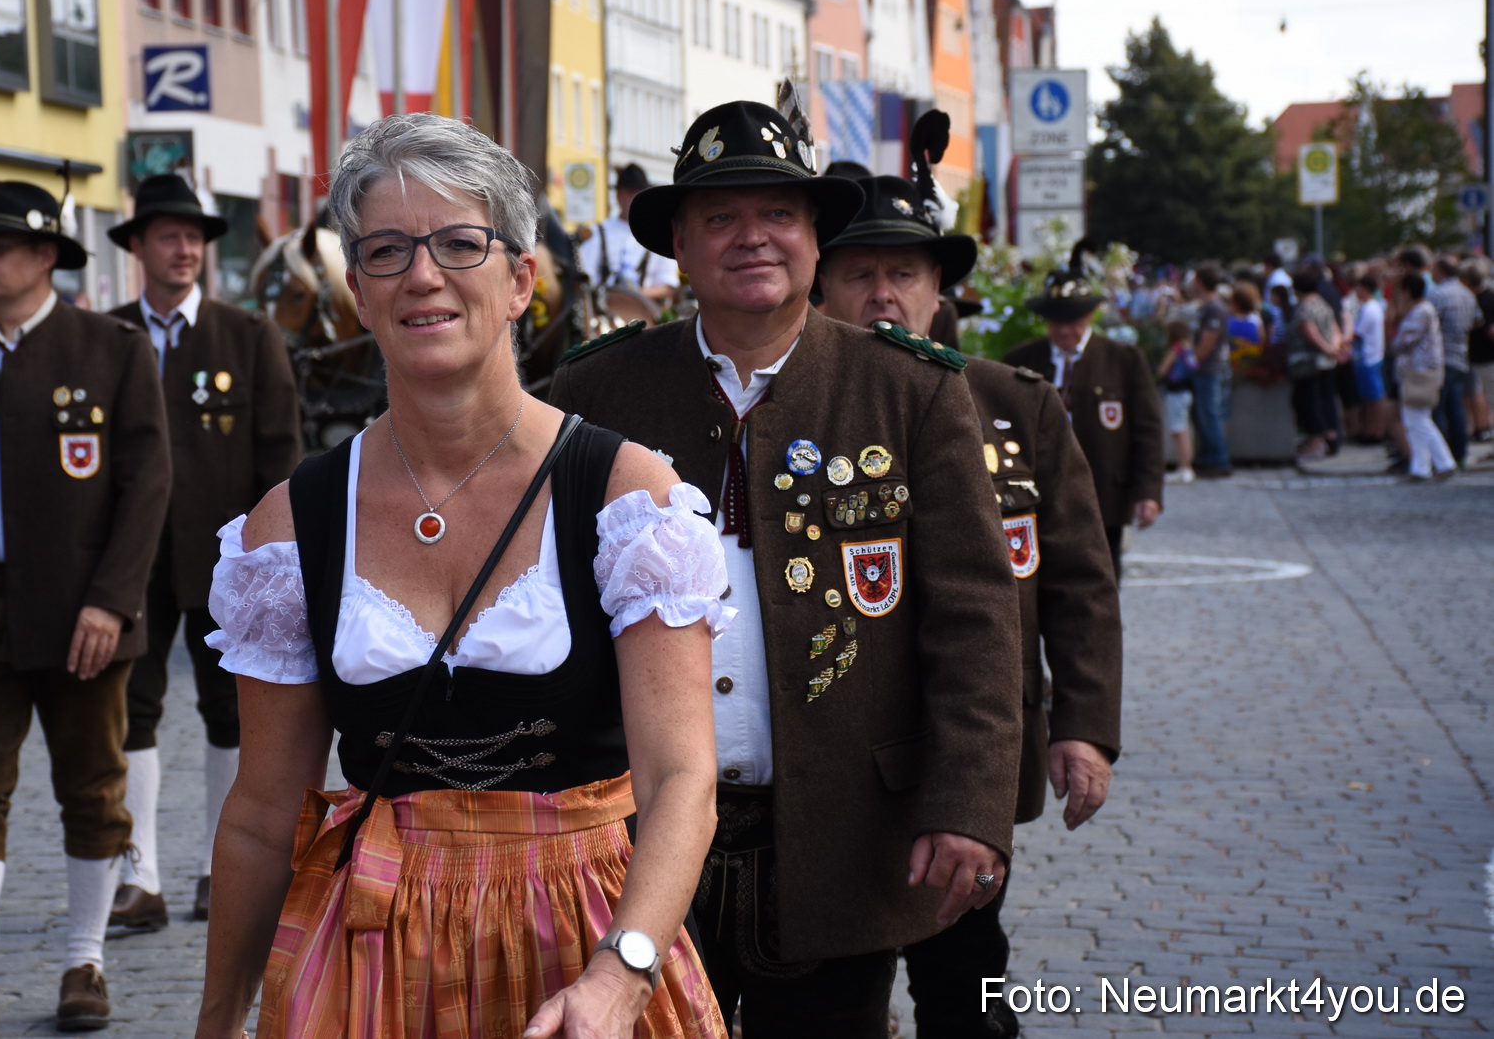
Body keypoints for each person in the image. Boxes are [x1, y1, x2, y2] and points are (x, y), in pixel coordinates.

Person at [197, 114, 728, 1039]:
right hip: (374, 949)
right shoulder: (293, 523)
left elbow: (682, 774)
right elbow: (258, 813)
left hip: (588, 941)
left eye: (458, 242)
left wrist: (623, 971)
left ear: (521, 278)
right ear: (358, 291)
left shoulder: (622, 494)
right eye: (388, 250)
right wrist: (214, 1023)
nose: (423, 274)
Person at [551, 100, 1023, 1037]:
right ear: (679, 245)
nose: (752, 237)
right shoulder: (591, 394)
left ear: (815, 235)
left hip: (841, 833)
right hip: (628, 840)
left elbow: (974, 622)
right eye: (720, 217)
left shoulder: (911, 391)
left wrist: (969, 804)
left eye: (778, 213)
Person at [810, 168, 1122, 1039]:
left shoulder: (1016, 405)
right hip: (835, 752)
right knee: (837, 995)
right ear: (822, 283)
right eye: (860, 273)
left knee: (968, 984)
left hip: (974, 745)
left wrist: (1085, 722)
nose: (883, 295)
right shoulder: (792, 415)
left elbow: (1080, 580)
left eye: (904, 274)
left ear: (938, 287)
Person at [0, 180, 172, 1035]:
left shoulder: (112, 349)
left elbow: (146, 486)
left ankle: (83, 962)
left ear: (47, 257)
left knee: (93, 789)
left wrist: (112, 601)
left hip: (80, 613)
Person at [105, 175, 302, 929]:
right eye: (168, 236)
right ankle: (138, 874)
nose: (184, 249)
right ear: (139, 248)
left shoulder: (248, 336)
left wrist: (269, 562)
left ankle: (219, 868)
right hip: (133, 558)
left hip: (229, 561)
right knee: (132, 712)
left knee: (232, 712)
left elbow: (279, 459)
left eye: (194, 237)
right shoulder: (111, 336)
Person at [1005, 268, 1165, 580]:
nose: (1064, 330)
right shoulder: (1021, 360)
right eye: (1056, 320)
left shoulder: (1123, 360)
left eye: (1073, 320)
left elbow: (1147, 430)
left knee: (1101, 581)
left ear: (1091, 315)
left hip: (1104, 492)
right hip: (1038, 495)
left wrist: (1149, 492)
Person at [575, 163, 681, 305]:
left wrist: (635, 295)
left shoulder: (658, 234)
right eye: (628, 192)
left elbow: (668, 285)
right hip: (604, 307)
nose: (632, 198)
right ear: (618, 195)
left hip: (644, 308)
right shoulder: (597, 232)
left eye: (637, 192)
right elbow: (586, 277)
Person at [1389, 271, 1454, 480]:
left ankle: (1443, 462)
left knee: (1419, 420)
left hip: (1419, 373)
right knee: (1414, 421)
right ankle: (1422, 467)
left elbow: (1401, 343)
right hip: (1418, 372)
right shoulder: (1423, 310)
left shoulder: (1420, 312)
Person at [1286, 263, 1344, 463]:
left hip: (1309, 363)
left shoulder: (1305, 306)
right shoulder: (1322, 302)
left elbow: (1310, 331)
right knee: (1327, 399)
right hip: (1327, 361)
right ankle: (1330, 436)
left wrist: (1327, 349)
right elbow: (1334, 327)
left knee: (1309, 402)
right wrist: (1334, 349)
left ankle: (1317, 440)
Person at [1425, 252, 1477, 467]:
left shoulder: (1438, 294)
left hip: (1442, 357)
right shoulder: (1467, 294)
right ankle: (1460, 451)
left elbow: (1427, 322)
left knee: (1438, 408)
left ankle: (1441, 455)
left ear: (1440, 271)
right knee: (1455, 407)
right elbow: (1477, 320)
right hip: (1460, 355)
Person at [1187, 266, 1232, 476]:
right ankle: (1208, 457)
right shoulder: (1207, 306)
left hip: (1209, 369)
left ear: (1200, 282)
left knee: (1210, 414)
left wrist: (1193, 361)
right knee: (1204, 415)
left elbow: (1208, 341)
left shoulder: (1214, 307)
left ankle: (1218, 460)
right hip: (1204, 369)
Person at [1350, 273, 1390, 444]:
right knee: (1369, 398)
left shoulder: (1369, 308)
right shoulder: (1372, 306)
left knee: (1374, 399)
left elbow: (1357, 333)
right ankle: (1370, 430)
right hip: (1369, 357)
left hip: (1369, 357)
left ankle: (1376, 431)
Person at [1157, 319, 1198, 484]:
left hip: (1175, 392)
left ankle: (1185, 467)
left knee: (1179, 430)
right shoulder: (1189, 347)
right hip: (1186, 391)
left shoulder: (1176, 348)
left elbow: (1162, 369)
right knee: (1183, 429)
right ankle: (1185, 466)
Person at [1466, 260, 1494, 442]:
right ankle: (1483, 429)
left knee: (1487, 395)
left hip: (1485, 355)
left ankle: (1485, 429)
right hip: (1479, 356)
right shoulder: (1488, 295)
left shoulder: (1483, 298)